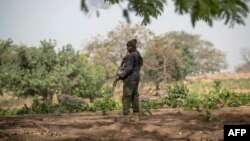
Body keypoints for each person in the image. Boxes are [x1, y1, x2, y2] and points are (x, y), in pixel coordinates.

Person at [117, 39, 143, 123]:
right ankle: (136, 118)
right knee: (135, 96)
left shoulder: (131, 55)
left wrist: (121, 75)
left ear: (132, 47)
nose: (127, 48)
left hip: (130, 79)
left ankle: (126, 119)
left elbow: (129, 68)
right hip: (136, 78)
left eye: (128, 46)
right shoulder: (138, 55)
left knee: (126, 97)